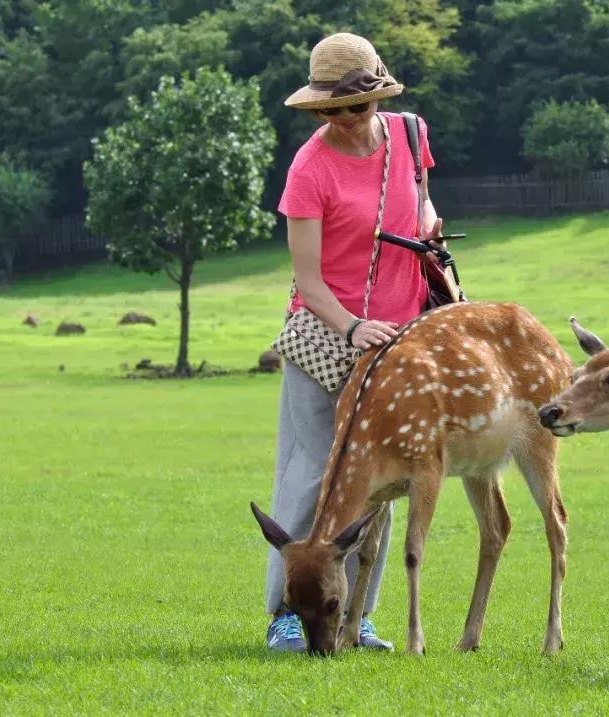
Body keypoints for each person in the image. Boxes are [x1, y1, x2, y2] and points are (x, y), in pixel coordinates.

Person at [264, 32, 444, 652]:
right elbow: (308, 281)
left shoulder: (410, 135)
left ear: (379, 97)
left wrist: (425, 223)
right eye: (328, 110)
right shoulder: (309, 169)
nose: (342, 120)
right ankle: (287, 615)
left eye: (354, 108)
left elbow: (421, 202)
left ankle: (355, 615)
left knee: (379, 482)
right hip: (328, 337)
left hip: (398, 340)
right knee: (311, 475)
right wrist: (351, 326)